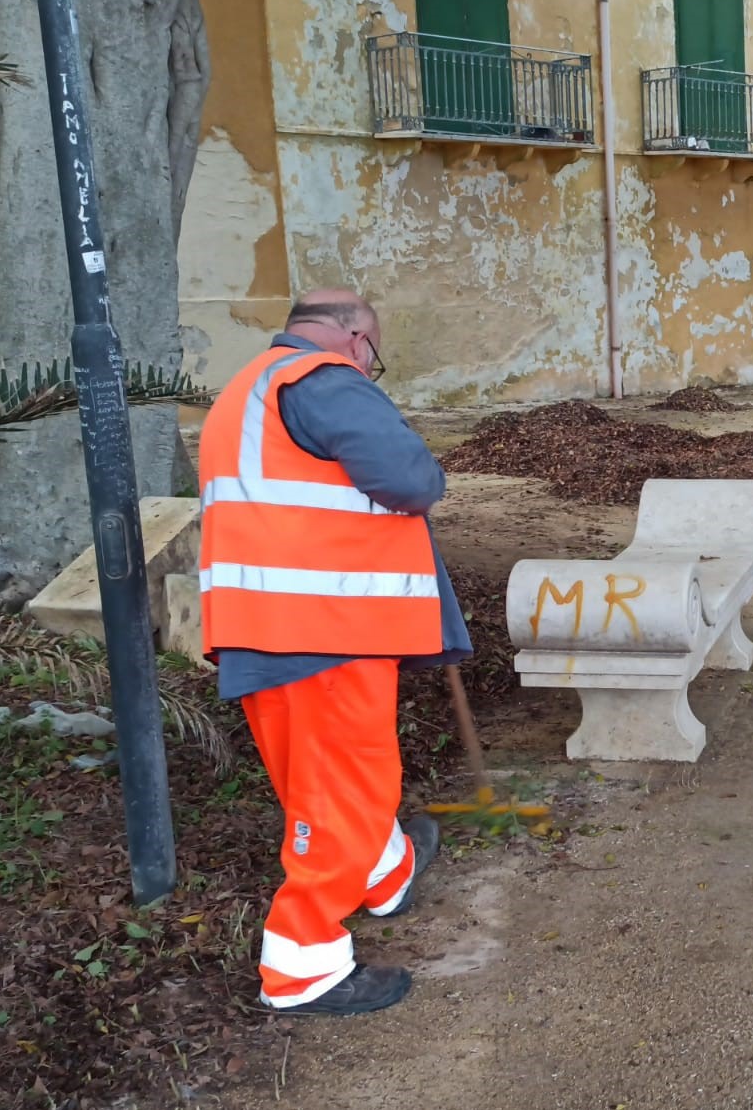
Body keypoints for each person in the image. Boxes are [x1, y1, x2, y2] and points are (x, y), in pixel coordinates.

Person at [197, 288, 470, 1016]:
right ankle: (304, 964)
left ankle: (385, 872)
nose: (366, 364)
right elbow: (412, 479)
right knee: (341, 785)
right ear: (355, 337)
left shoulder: (248, 388)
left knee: (328, 780)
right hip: (324, 631)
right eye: (371, 353)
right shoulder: (321, 379)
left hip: (272, 628)